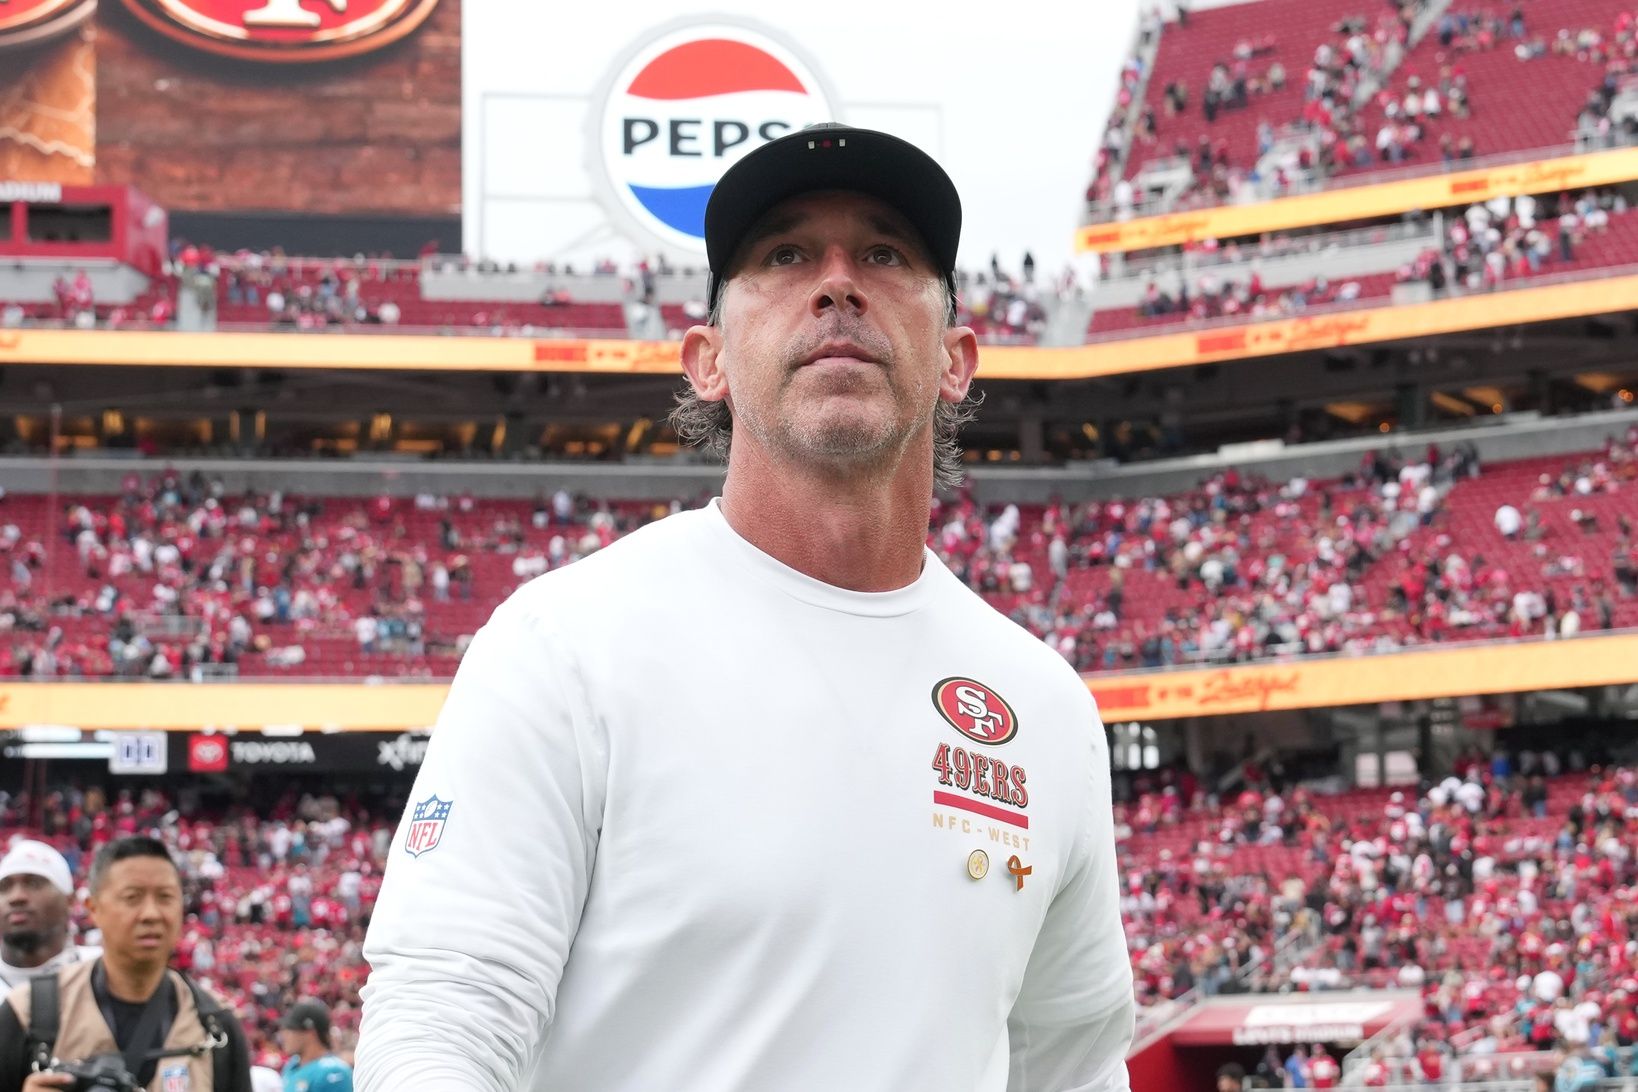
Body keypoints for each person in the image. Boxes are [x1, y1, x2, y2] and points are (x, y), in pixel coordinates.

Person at [356, 123, 1135, 1090]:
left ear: (956, 361)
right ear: (707, 360)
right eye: (785, 254)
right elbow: (442, 1019)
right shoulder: (566, 646)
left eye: (886, 254)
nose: (838, 282)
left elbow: (1073, 1066)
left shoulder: (1045, 707)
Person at [0, 836, 254, 1091]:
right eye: (132, 897)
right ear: (93, 908)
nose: (151, 914)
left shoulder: (215, 1023)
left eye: (165, 897)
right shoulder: (28, 1014)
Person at [0, 842, 99, 991]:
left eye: (34, 884)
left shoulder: (107, 973)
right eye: (4, 887)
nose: (16, 897)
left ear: (69, 901)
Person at [277, 1000, 351, 1092]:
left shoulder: (333, 1072)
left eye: (290, 1029)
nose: (283, 1036)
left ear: (310, 1033)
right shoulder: (292, 1065)